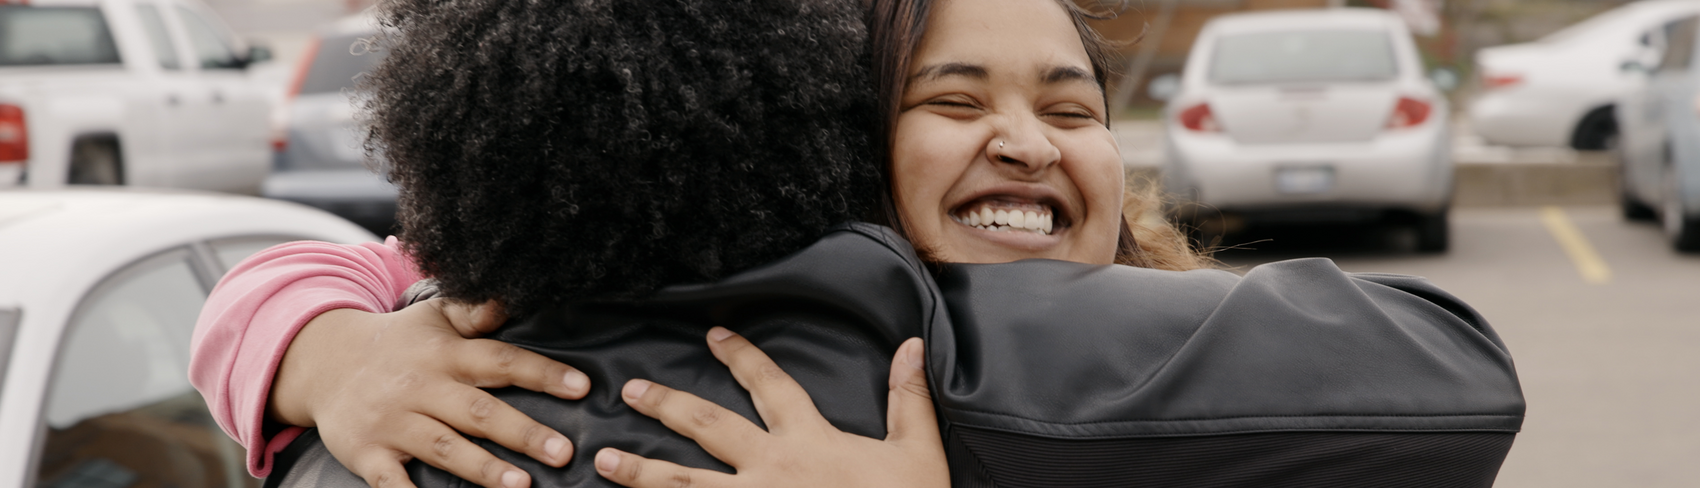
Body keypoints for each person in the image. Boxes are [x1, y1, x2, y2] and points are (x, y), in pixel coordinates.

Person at [194, 0, 1521, 486]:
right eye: (952, 100)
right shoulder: (506, 361)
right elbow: (331, 275)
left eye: (1073, 105)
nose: (1026, 139)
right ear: (825, 153)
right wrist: (327, 346)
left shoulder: (1212, 379)